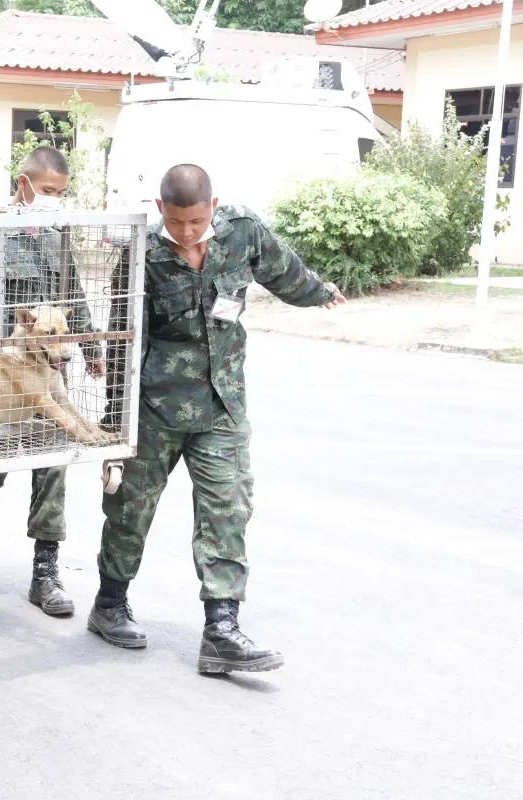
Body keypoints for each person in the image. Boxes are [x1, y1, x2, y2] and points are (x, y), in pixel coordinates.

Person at [88, 164, 345, 673]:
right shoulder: (143, 253)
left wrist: (319, 291)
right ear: (161, 209)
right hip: (155, 407)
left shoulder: (241, 231)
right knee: (130, 511)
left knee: (228, 508)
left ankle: (221, 630)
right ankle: (110, 604)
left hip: (223, 403)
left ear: (214, 207)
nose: (188, 233)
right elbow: (124, 335)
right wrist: (117, 421)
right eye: (178, 222)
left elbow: (283, 269)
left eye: (197, 221)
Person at [0, 146, 104, 618]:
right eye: (48, 191)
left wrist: (91, 348)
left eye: (61, 192)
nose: (55, 199)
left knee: (54, 460)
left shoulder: (59, 236)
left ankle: (45, 571)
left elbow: (72, 293)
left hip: (52, 365)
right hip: (4, 368)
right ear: (24, 183)